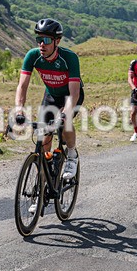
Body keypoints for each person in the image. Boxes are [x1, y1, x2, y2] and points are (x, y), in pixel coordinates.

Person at [15, 18, 83, 179]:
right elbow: (22, 86)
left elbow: (74, 93)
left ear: (57, 41)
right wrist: (19, 109)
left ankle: (72, 155)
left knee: (65, 122)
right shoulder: (33, 56)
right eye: (39, 40)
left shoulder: (69, 58)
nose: (41, 45)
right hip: (51, 95)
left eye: (46, 40)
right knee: (44, 138)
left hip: (71, 95)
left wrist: (65, 112)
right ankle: (42, 190)